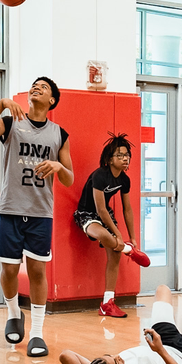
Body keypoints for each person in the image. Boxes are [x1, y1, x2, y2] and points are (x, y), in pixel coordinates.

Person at [0, 76, 73, 358]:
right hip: (10, 209)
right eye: (34, 85)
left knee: (38, 271)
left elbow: (69, 178)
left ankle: (37, 333)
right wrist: (2, 104)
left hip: (41, 212)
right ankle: (14, 313)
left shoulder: (59, 134)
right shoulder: (11, 123)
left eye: (43, 87)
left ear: (52, 100)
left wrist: (58, 166)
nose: (36, 87)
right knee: (9, 271)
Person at [72, 132, 151, 316]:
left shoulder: (124, 179)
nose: (125, 159)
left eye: (127, 155)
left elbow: (127, 209)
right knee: (104, 236)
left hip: (106, 215)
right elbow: (99, 209)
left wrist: (132, 237)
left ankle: (107, 303)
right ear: (109, 159)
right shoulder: (100, 175)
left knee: (114, 255)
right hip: (87, 213)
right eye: (120, 155)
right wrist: (119, 236)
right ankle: (128, 251)